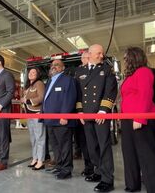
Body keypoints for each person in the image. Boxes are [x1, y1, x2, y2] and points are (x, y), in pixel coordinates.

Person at [120, 47, 155, 193]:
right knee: (129, 155)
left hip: (141, 118)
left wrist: (140, 117)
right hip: (127, 119)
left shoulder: (144, 72)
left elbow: (145, 94)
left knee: (147, 157)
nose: (125, 60)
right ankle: (132, 186)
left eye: (126, 58)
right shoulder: (130, 75)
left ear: (134, 58)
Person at [75, 44, 117, 192]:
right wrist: (79, 111)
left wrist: (103, 110)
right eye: (98, 53)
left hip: (100, 115)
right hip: (86, 115)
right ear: (90, 54)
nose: (101, 56)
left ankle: (107, 180)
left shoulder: (106, 69)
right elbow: (78, 93)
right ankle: (98, 172)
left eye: (102, 53)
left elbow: (111, 90)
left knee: (104, 146)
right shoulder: (80, 71)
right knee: (92, 147)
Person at [42, 59, 77, 179]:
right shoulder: (50, 81)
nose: (54, 67)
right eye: (52, 65)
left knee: (65, 146)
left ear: (63, 68)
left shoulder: (68, 80)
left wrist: (65, 115)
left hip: (62, 120)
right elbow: (46, 100)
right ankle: (60, 166)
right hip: (50, 120)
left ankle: (67, 170)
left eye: (57, 65)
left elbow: (70, 98)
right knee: (55, 146)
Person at [0, 54, 15, 171]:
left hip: (2, 109)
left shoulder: (7, 75)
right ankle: (0, 158)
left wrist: (0, 105)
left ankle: (3, 162)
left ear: (0, 62)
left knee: (4, 135)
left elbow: (10, 92)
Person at [73, 51, 94, 177]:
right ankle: (89, 167)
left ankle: (98, 167)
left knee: (94, 142)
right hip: (80, 112)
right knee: (83, 141)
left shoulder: (98, 70)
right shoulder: (78, 72)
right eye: (86, 57)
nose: (88, 59)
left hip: (94, 112)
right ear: (82, 59)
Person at [21, 67, 46, 170]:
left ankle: (41, 161)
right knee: (33, 138)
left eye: (33, 72)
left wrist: (27, 101)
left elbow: (41, 97)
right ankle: (35, 158)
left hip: (37, 113)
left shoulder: (39, 83)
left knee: (40, 137)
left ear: (37, 74)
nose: (31, 74)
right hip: (29, 114)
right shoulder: (28, 86)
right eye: (30, 72)